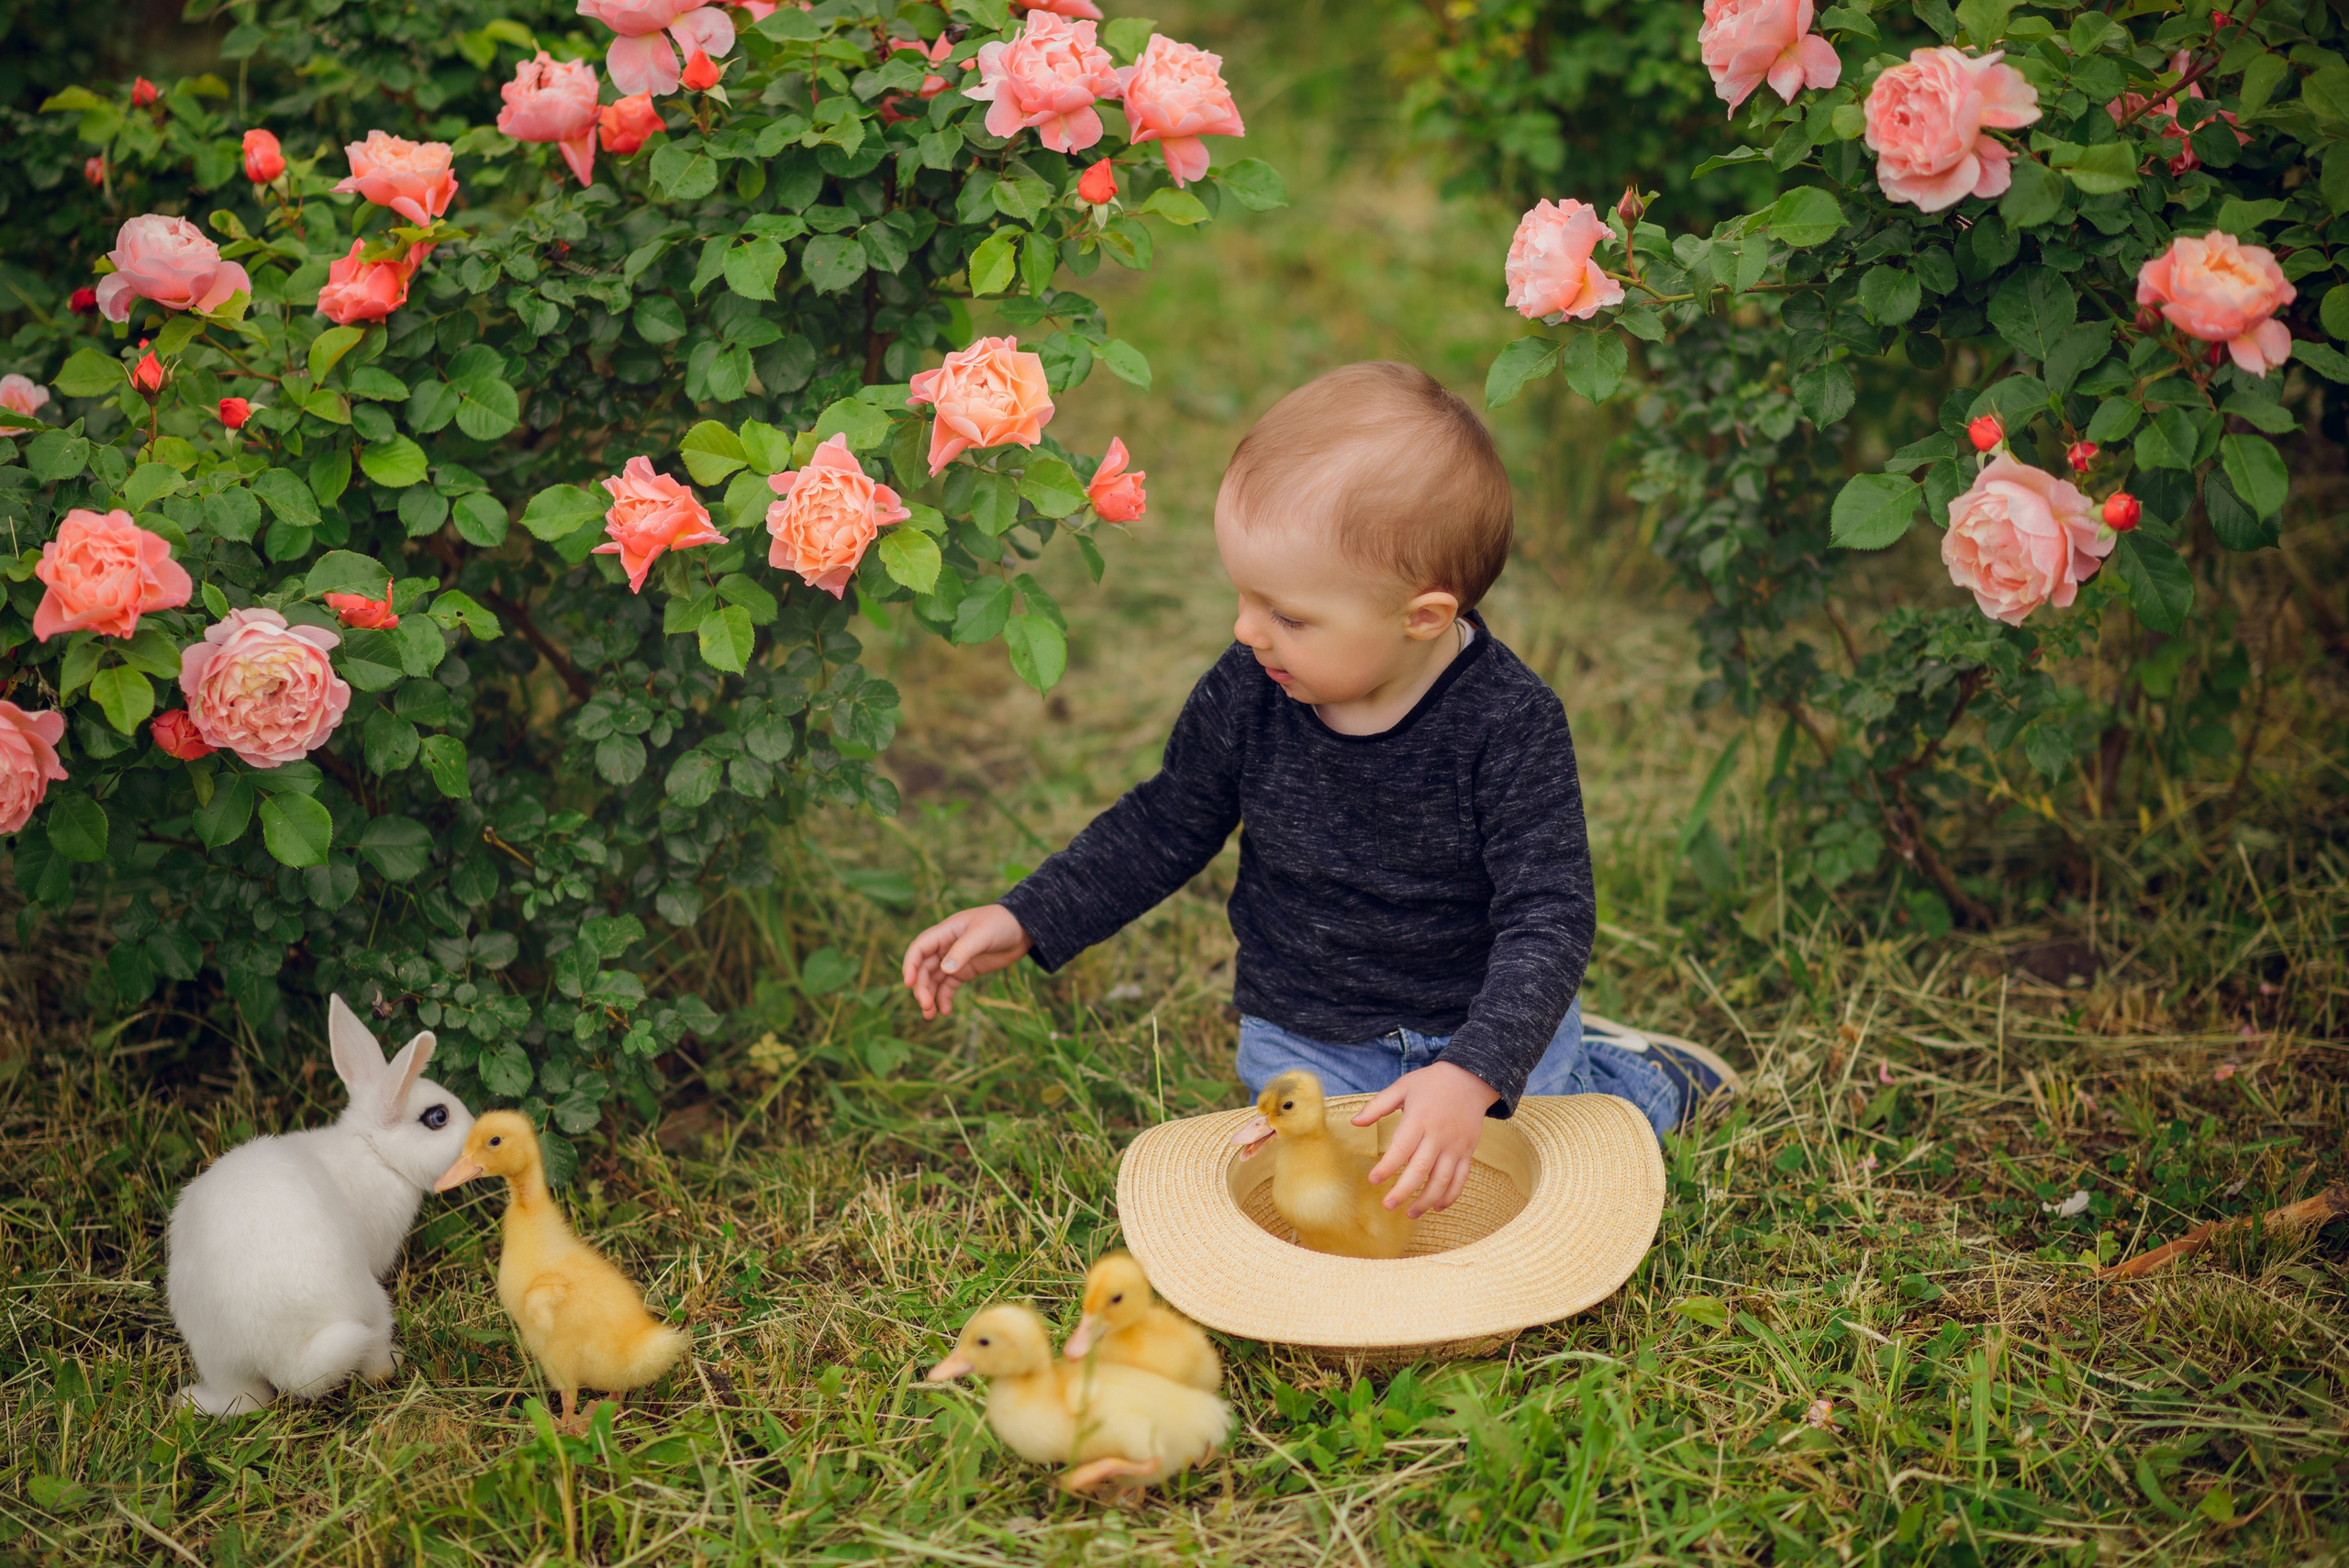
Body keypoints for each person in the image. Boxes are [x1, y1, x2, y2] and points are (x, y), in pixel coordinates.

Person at [901, 361, 1733, 1217]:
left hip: (1481, 1022)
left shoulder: (1509, 723)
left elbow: (1550, 913)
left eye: (1287, 615)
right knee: (1317, 1215)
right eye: (1245, 597)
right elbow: (1167, 819)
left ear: (1423, 617)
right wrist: (1028, 914)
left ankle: (1638, 1080)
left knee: (1540, 1197)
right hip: (1312, 1032)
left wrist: (1478, 1067)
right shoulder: (1252, 684)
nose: (1245, 629)